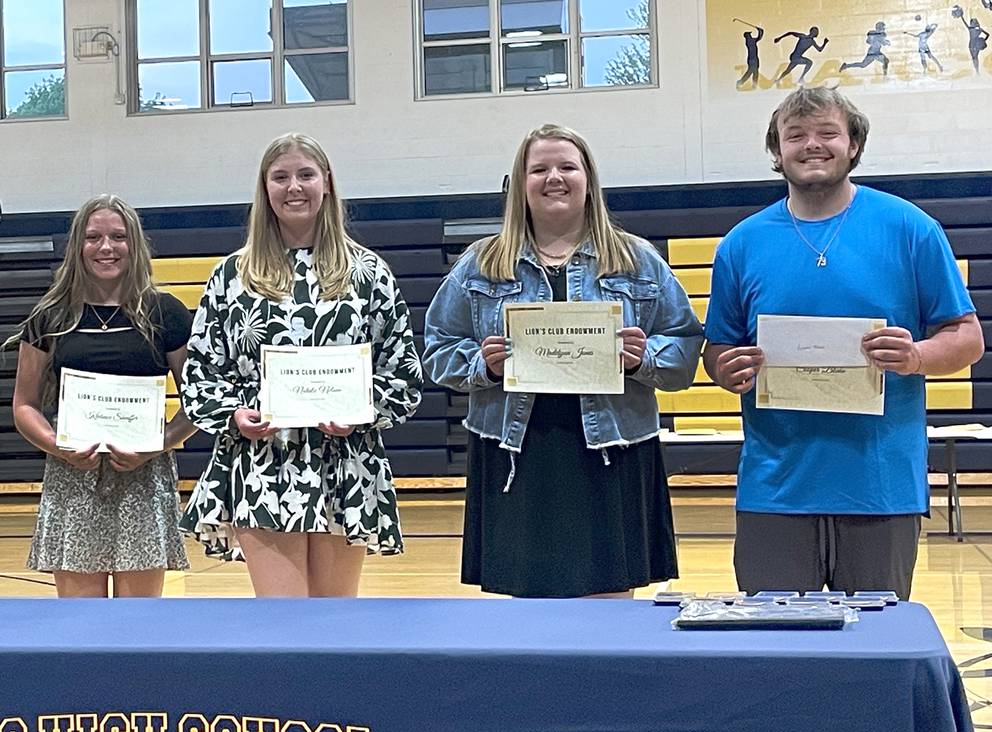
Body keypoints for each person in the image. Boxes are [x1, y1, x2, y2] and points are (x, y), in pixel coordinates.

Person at [703, 87, 982, 600]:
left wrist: (917, 356)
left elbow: (967, 338)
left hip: (880, 486)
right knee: (777, 654)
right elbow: (717, 348)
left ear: (853, 144)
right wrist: (727, 368)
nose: (812, 145)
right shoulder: (741, 243)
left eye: (827, 133)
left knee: (874, 654)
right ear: (777, 151)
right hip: (776, 488)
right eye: (796, 135)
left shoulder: (911, 228)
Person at [424, 124, 703, 599]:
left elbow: (683, 348)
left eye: (567, 167)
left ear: (588, 180)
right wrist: (483, 366)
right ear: (521, 184)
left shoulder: (637, 260)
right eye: (540, 169)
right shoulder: (481, 263)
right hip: (516, 455)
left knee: (611, 611)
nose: (554, 177)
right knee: (527, 620)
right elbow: (437, 351)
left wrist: (642, 360)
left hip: (613, 451)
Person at [179, 132, 423, 597]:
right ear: (265, 189)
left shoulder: (368, 272)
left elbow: (402, 372)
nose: (294, 187)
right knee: (283, 622)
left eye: (306, 175)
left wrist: (362, 411)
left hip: (346, 463)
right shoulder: (233, 274)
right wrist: (233, 414)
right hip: (264, 462)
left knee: (336, 621)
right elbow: (202, 369)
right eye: (281, 177)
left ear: (327, 184)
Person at [11, 195, 194, 597]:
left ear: (135, 244)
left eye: (118, 236)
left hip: (143, 478)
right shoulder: (51, 315)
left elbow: (197, 403)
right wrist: (58, 446)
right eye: (93, 237)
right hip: (73, 476)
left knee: (138, 624)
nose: (106, 247)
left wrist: (156, 446)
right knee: (81, 624)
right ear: (78, 246)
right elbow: (24, 405)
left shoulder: (167, 313)